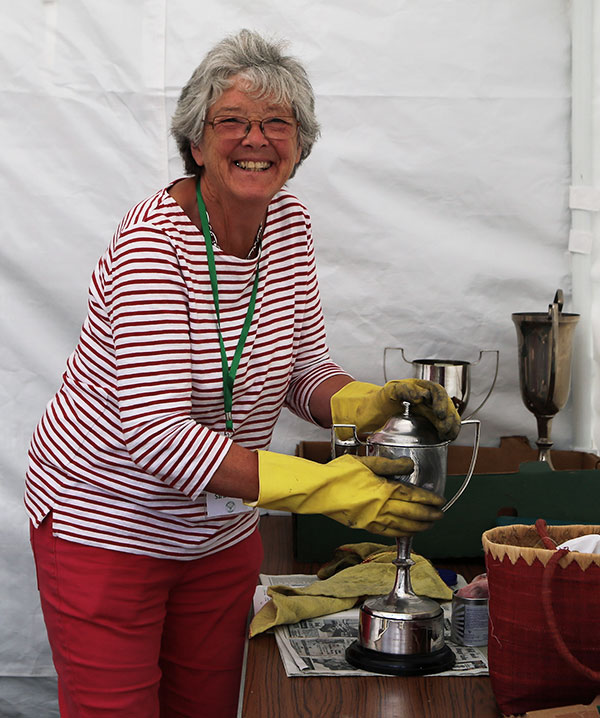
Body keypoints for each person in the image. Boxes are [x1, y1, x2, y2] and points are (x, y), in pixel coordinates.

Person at [25, 29, 460, 718]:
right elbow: (160, 436)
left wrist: (370, 404)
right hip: (108, 527)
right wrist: (323, 489)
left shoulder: (288, 222)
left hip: (219, 532)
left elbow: (302, 369)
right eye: (231, 121)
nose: (255, 138)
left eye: (276, 123)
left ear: (299, 145)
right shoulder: (151, 244)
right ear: (196, 144)